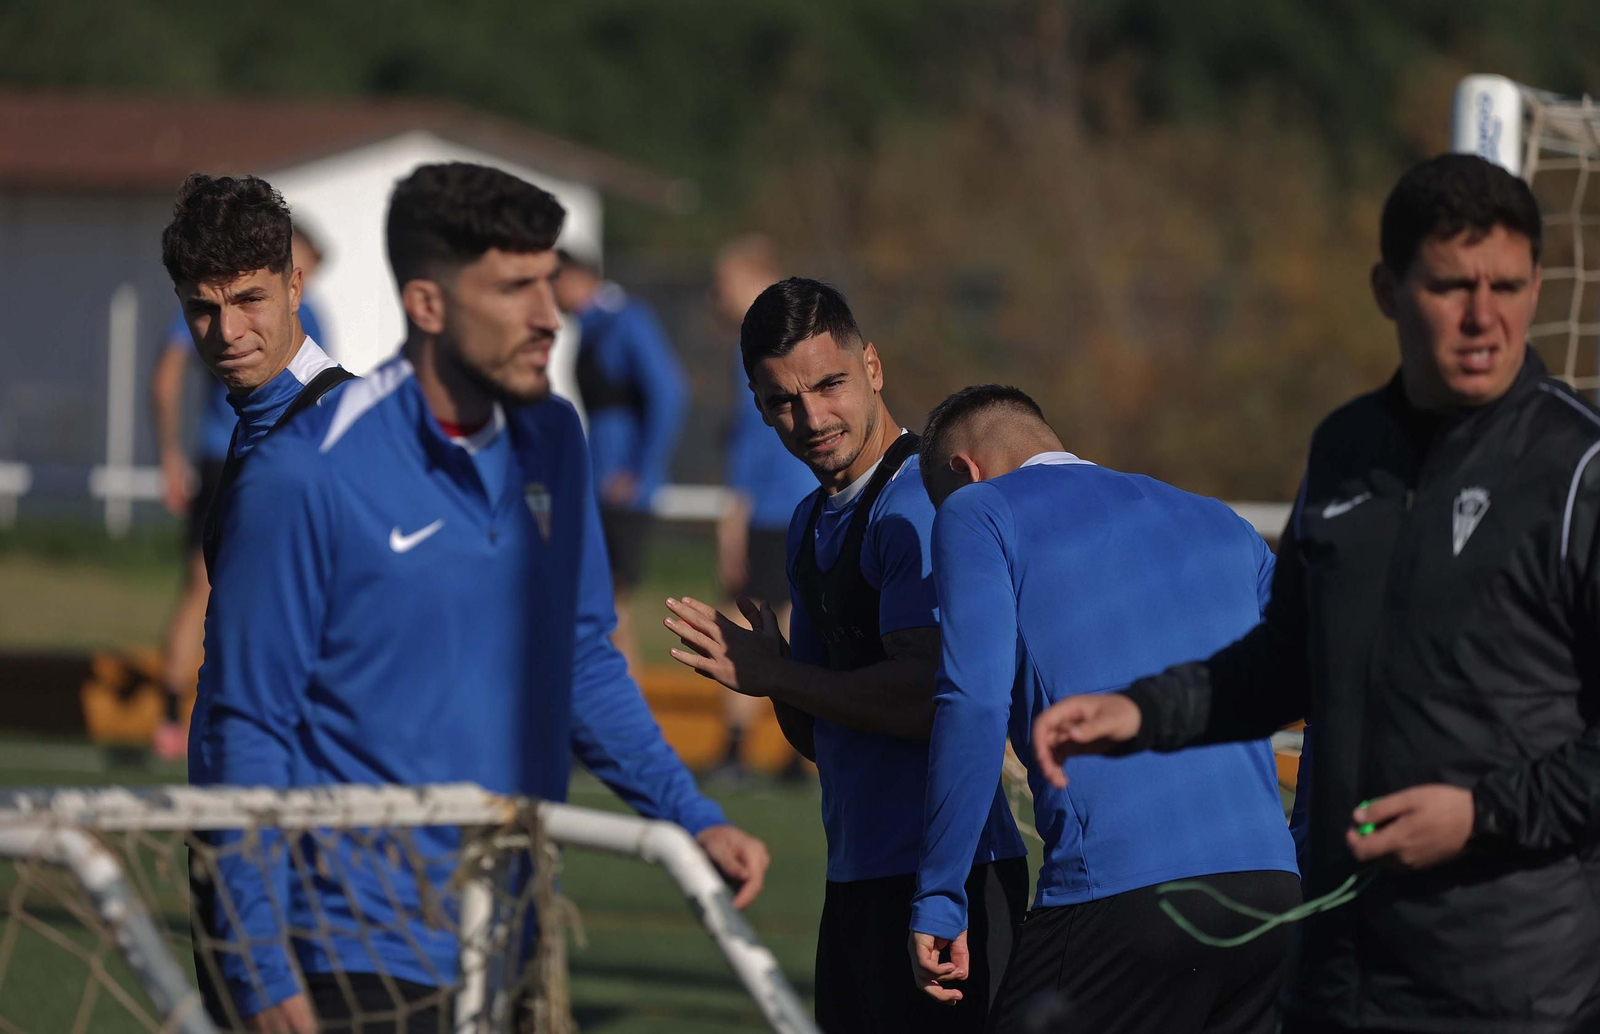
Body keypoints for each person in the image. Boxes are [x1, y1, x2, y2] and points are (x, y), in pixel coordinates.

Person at [1033, 153, 1600, 1034]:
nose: (1485, 317)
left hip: (1514, 987)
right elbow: (1288, 662)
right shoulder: (1346, 450)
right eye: (1452, 285)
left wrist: (1480, 815)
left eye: (1510, 285)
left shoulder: (1579, 472)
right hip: (1338, 976)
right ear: (1388, 288)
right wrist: (1141, 713)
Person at [195, 162, 769, 1033]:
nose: (549, 314)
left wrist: (687, 814)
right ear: (427, 305)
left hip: (504, 933)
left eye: (548, 283)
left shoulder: (554, 441)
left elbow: (579, 659)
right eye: (513, 288)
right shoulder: (302, 472)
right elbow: (247, 725)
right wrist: (262, 964)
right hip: (346, 951)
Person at [662, 278, 1027, 1034]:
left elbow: (933, 698)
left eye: (830, 384)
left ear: (874, 369)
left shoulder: (920, 504)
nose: (812, 417)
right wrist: (781, 686)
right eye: (782, 401)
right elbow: (825, 738)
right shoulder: (807, 521)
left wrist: (779, 674)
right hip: (858, 876)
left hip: (948, 883)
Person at [908, 384, 1300, 1033]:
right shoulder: (1219, 521)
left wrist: (941, 893)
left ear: (964, 471)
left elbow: (972, 702)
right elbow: (1323, 679)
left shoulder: (977, 510)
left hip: (1120, 899)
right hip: (1272, 897)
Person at [150, 223, 333, 759]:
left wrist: (168, 453)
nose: (228, 329)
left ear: (294, 286)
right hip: (227, 451)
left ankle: (167, 717)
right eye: (203, 309)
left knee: (203, 591)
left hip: (299, 799)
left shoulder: (344, 427)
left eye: (251, 299)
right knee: (215, 598)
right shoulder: (257, 410)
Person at [705, 235, 817, 782]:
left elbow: (753, 442)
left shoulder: (753, 345)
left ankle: (739, 745)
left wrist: (733, 519)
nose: (716, 294)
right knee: (793, 615)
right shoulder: (799, 334)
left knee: (746, 613)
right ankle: (796, 749)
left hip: (773, 504)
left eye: (723, 282)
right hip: (798, 495)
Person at [553, 247, 688, 671]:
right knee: (598, 608)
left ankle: (627, 721)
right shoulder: (589, 329)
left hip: (623, 493)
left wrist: (640, 472)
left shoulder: (627, 320)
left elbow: (670, 393)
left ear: (577, 278)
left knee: (609, 608)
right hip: (597, 487)